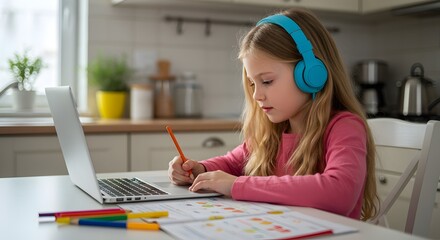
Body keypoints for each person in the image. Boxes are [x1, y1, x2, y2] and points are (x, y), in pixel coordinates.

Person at [168, 8, 378, 221]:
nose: (257, 95)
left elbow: (339, 192)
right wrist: (199, 169)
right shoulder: (273, 134)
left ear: (311, 74)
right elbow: (232, 163)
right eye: (252, 83)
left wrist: (237, 185)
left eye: (267, 81)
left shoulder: (344, 127)